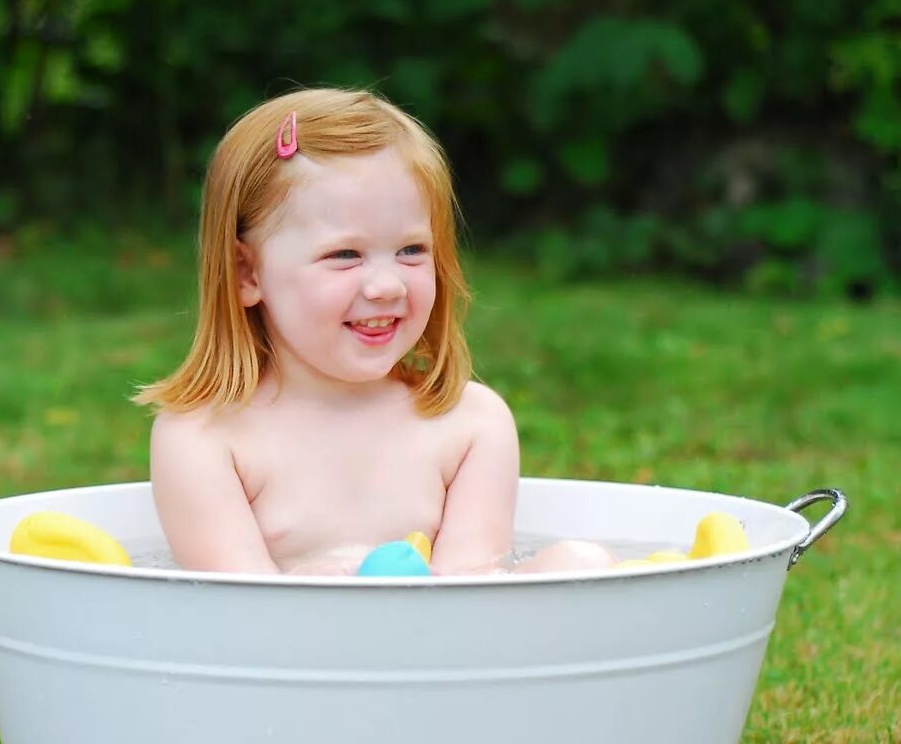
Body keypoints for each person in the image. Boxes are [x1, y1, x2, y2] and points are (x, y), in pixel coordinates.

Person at [135, 88, 615, 576]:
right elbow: (242, 616)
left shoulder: (469, 425)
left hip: (440, 646)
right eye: (345, 255)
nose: (387, 285)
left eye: (411, 250)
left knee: (581, 562)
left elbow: (472, 600)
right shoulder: (204, 438)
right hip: (291, 648)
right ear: (247, 274)